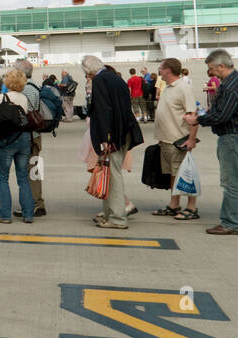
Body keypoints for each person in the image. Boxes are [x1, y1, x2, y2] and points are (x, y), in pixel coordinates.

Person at [85, 54, 143, 230]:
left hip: (112, 136)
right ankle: (110, 213)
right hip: (125, 132)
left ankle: (118, 218)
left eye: (86, 74)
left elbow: (104, 111)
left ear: (89, 70)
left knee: (113, 176)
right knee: (111, 173)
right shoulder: (116, 78)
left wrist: (105, 138)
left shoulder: (100, 81)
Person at [184, 49, 238, 235]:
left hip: (231, 137)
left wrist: (198, 120)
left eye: (212, 68)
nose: (211, 72)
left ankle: (231, 223)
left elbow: (222, 115)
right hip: (232, 136)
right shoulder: (231, 83)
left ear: (221, 66)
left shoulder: (231, 87)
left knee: (230, 182)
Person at [151, 58, 199, 220]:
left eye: (161, 68)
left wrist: (191, 140)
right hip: (166, 140)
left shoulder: (183, 89)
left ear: (168, 70)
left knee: (185, 174)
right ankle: (174, 205)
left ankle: (192, 207)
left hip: (179, 140)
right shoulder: (169, 88)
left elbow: (193, 116)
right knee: (173, 175)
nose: (159, 71)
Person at [0, 67, 35, 224]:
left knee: (3, 178)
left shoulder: (2, 97)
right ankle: (28, 214)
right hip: (23, 139)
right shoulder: (23, 98)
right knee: (23, 178)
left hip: (7, 141)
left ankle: (4, 215)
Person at [13, 59, 48, 218]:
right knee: (35, 170)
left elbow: (22, 115)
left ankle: (33, 204)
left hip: (29, 137)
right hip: (36, 136)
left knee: (28, 172)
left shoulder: (26, 89)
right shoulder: (35, 85)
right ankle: (38, 203)